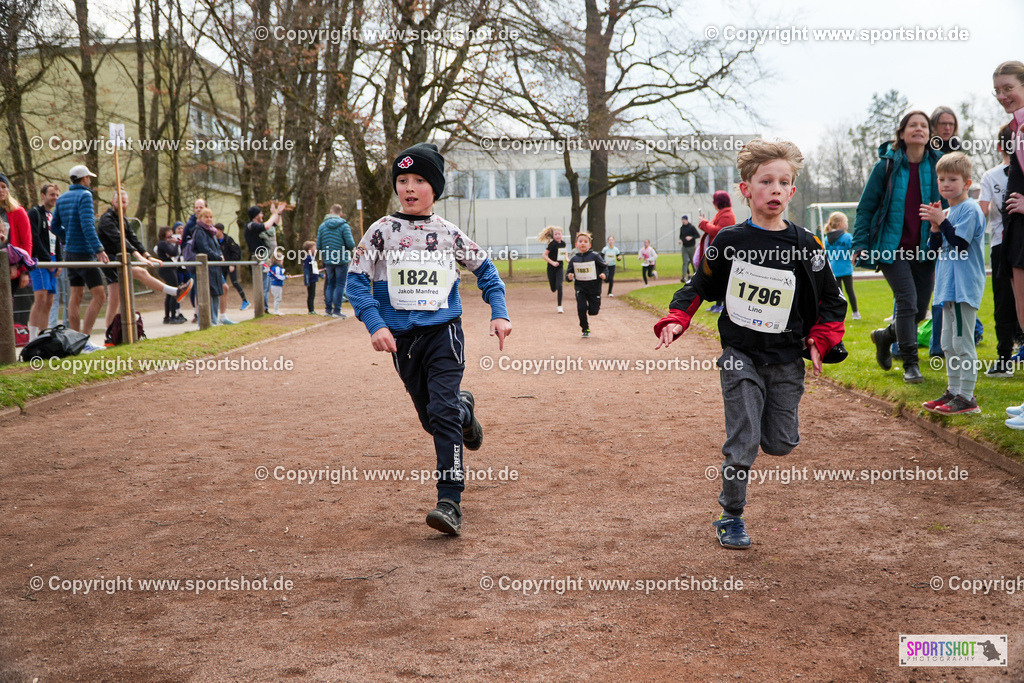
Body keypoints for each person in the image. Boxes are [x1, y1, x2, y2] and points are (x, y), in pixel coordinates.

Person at [653, 139, 846, 550]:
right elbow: (698, 286)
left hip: (786, 359)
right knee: (743, 444)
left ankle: (765, 423)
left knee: (779, 443)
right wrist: (676, 319)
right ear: (746, 189)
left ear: (792, 192)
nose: (775, 189)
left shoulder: (807, 245)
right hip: (740, 355)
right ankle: (731, 516)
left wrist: (822, 338)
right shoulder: (729, 241)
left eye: (784, 182)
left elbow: (831, 298)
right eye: (766, 181)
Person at [347, 142, 511, 536]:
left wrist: (499, 312)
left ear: (434, 188)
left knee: (441, 414)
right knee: (432, 419)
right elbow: (355, 283)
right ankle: (464, 412)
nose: (409, 186)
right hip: (402, 341)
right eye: (402, 179)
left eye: (419, 180)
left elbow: (487, 272)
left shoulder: (448, 233)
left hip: (444, 334)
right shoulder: (381, 232)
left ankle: (449, 501)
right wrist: (376, 324)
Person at [853, 110, 942, 384]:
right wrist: (860, 244)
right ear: (902, 134)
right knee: (906, 300)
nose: (919, 129)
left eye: (923, 126)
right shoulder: (886, 167)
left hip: (925, 249)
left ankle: (885, 335)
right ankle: (911, 364)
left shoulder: (939, 166)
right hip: (891, 248)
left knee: (919, 309)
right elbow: (866, 207)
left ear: (929, 134)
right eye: (912, 125)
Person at [919, 153, 986, 415]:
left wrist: (942, 222)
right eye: (941, 179)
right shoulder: (946, 211)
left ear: (967, 183)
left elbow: (960, 243)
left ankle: (967, 398)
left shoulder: (970, 208)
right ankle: (953, 391)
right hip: (947, 287)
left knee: (962, 343)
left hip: (963, 287)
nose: (946, 184)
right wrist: (936, 228)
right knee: (947, 343)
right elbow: (933, 250)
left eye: (953, 179)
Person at [97, 190, 192, 329]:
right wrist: (138, 256)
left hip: (121, 260)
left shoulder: (122, 219)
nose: (122, 205)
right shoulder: (107, 219)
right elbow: (120, 240)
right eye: (119, 202)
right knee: (124, 290)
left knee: (117, 296)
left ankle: (110, 333)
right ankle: (175, 291)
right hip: (111, 261)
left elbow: (133, 238)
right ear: (113, 202)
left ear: (128, 203)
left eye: (124, 202)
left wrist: (147, 255)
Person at [990, 61, 1024, 429]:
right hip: (1015, 234)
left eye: (1008, 87)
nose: (1002, 96)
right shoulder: (1016, 128)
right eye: (997, 90)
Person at [50, 165, 109, 350]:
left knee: (75, 296)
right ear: (84, 179)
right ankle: (85, 340)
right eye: (89, 178)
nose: (90, 181)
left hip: (69, 254)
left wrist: (67, 238)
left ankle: (75, 343)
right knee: (99, 295)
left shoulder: (63, 198)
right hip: (85, 253)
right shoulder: (85, 196)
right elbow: (88, 225)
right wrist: (98, 249)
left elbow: (54, 226)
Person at [980, 125, 1021, 377]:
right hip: (1001, 245)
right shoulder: (991, 176)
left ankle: (1007, 355)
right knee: (1006, 301)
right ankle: (1006, 355)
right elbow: (982, 210)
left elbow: (981, 211)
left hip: (1010, 245)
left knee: (1006, 301)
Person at [27, 183, 60, 341]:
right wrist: (48, 260)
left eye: (56, 195)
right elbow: (34, 238)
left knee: (49, 300)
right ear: (43, 195)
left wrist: (58, 262)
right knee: (40, 298)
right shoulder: (34, 213)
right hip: (40, 260)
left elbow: (58, 238)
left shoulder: (53, 216)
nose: (54, 198)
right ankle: (32, 338)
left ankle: (44, 335)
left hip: (53, 259)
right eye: (51, 194)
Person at [698, 190, 736, 312]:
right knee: (716, 277)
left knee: (722, 278)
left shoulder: (727, 215)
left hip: (723, 252)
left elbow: (717, 230)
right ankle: (718, 303)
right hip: (717, 250)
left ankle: (722, 305)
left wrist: (704, 223)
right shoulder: (722, 213)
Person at [316, 204, 355, 318]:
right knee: (340, 285)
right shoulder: (344, 226)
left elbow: (318, 245)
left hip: (328, 260)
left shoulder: (322, 226)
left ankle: (328, 310)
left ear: (330, 211)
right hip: (341, 260)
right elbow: (351, 244)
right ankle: (337, 310)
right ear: (340, 213)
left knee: (330, 284)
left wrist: (326, 253)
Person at [243, 202, 284, 308]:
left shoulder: (257, 227)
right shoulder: (251, 226)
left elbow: (273, 224)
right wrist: (274, 214)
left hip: (265, 259)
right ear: (256, 215)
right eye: (261, 214)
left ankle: (264, 307)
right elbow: (267, 225)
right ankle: (262, 308)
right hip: (258, 258)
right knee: (263, 285)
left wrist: (278, 214)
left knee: (266, 284)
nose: (262, 216)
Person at [566, 231, 607, 337]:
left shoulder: (595, 256)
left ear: (589, 245)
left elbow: (604, 267)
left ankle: (592, 308)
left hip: (594, 288)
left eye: (585, 241)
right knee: (581, 308)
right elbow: (568, 274)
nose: (583, 243)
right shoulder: (574, 259)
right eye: (580, 241)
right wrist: (569, 276)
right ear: (576, 245)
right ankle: (585, 328)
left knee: (593, 311)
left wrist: (603, 274)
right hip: (580, 288)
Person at [191, 208, 226, 324]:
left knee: (216, 293)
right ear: (200, 218)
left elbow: (216, 248)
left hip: (215, 268)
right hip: (207, 268)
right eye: (206, 217)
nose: (209, 219)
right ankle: (207, 321)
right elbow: (204, 249)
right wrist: (217, 257)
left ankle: (214, 320)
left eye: (211, 217)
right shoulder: (199, 231)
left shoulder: (212, 232)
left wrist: (220, 255)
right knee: (208, 294)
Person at [823, 212, 860, 320]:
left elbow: (828, 254)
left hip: (834, 269)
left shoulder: (826, 238)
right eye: (846, 222)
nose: (847, 224)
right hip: (846, 268)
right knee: (850, 291)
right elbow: (853, 249)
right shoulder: (847, 236)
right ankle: (855, 313)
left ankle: (840, 315)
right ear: (840, 224)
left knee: (839, 294)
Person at [155, 226, 186, 324]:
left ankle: (168, 316)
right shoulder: (162, 243)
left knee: (169, 293)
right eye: (168, 232)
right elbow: (174, 252)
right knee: (174, 291)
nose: (171, 234)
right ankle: (172, 316)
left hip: (170, 268)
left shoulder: (166, 243)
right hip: (167, 269)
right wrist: (176, 244)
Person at [214, 223, 244, 322]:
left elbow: (236, 251)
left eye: (217, 229)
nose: (215, 231)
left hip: (230, 265)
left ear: (221, 230)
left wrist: (233, 264)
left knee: (234, 282)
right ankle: (221, 309)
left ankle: (245, 300)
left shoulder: (228, 240)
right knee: (222, 286)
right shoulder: (215, 240)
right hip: (221, 266)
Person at [538, 225, 566, 312]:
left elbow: (564, 252)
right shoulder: (552, 244)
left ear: (562, 235)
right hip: (551, 268)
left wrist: (567, 258)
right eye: (556, 234)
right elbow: (544, 255)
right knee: (553, 288)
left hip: (560, 267)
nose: (558, 236)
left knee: (560, 286)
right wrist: (553, 263)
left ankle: (559, 306)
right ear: (553, 236)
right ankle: (554, 287)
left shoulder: (563, 243)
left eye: (559, 234)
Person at [301, 240, 320, 314]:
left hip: (314, 279)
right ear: (310, 249)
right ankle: (311, 310)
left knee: (313, 294)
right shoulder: (307, 259)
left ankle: (312, 309)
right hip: (310, 280)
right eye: (314, 248)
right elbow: (306, 270)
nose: (316, 250)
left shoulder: (312, 258)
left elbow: (314, 269)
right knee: (311, 295)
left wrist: (320, 275)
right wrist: (306, 281)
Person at [679, 215, 699, 281]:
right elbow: (681, 236)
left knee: (693, 261)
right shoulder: (682, 228)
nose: (683, 221)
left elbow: (697, 235)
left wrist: (691, 237)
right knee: (685, 262)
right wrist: (681, 240)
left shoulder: (691, 227)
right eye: (682, 220)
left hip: (691, 247)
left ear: (687, 220)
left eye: (684, 220)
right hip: (684, 247)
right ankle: (684, 277)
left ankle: (696, 274)